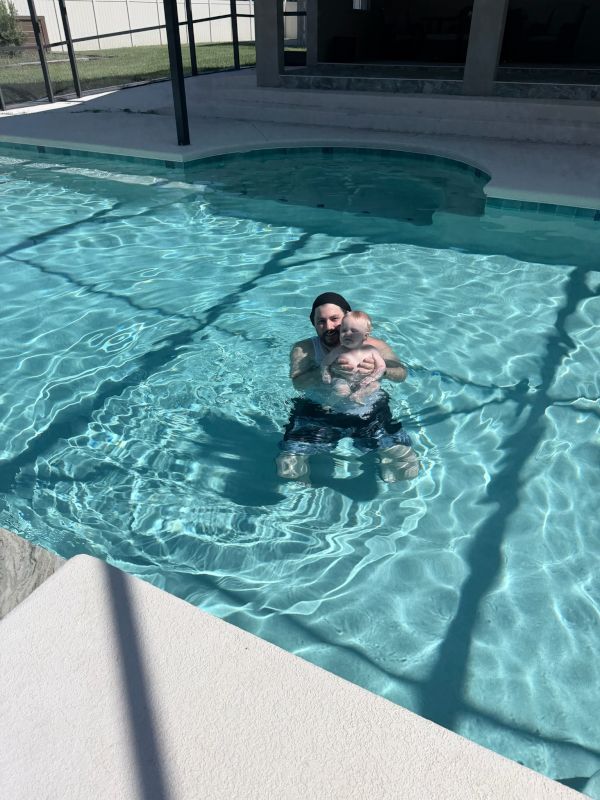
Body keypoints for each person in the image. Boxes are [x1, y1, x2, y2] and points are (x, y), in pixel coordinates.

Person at [276, 292, 419, 483]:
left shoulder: (374, 346)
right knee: (287, 468)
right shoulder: (304, 349)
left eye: (335, 319)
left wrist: (381, 370)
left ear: (348, 317)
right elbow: (298, 383)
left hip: (369, 411)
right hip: (318, 412)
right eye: (321, 321)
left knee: (408, 467)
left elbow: (401, 373)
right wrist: (325, 370)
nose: (329, 327)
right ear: (314, 324)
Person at [320, 310, 386, 405]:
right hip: (342, 379)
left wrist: (372, 377)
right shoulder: (339, 350)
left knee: (375, 385)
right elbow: (325, 362)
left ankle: (358, 395)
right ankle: (329, 404)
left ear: (365, 336)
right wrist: (325, 373)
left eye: (354, 331)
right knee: (342, 391)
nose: (347, 333)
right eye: (344, 330)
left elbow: (381, 367)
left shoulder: (371, 350)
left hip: (363, 380)